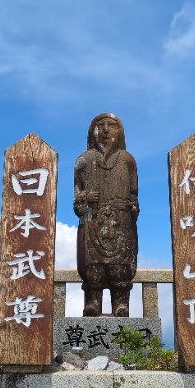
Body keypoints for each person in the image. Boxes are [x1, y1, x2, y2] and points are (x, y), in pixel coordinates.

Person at [74, 113, 139, 317]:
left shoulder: (127, 160)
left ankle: (121, 303)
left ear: (120, 132)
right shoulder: (84, 160)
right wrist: (85, 198)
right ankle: (93, 301)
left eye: (111, 125)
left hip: (120, 220)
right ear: (92, 132)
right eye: (100, 126)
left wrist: (133, 207)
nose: (105, 130)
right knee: (93, 267)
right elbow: (76, 197)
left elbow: (134, 193)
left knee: (120, 266)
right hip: (93, 219)